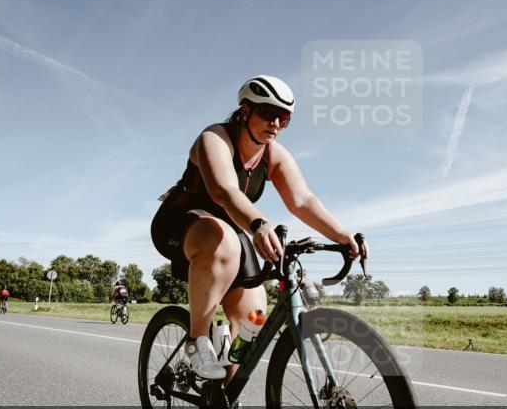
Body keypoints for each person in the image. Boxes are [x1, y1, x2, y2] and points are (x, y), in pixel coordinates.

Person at [151, 74, 365, 380]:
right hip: (181, 223)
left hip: (231, 233)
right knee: (221, 239)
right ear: (245, 110)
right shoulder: (214, 138)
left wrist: (342, 235)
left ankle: (221, 401)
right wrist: (259, 224)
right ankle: (196, 341)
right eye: (268, 112)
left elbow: (302, 200)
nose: (276, 123)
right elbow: (224, 191)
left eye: (284, 117)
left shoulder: (273, 155)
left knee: (253, 321)